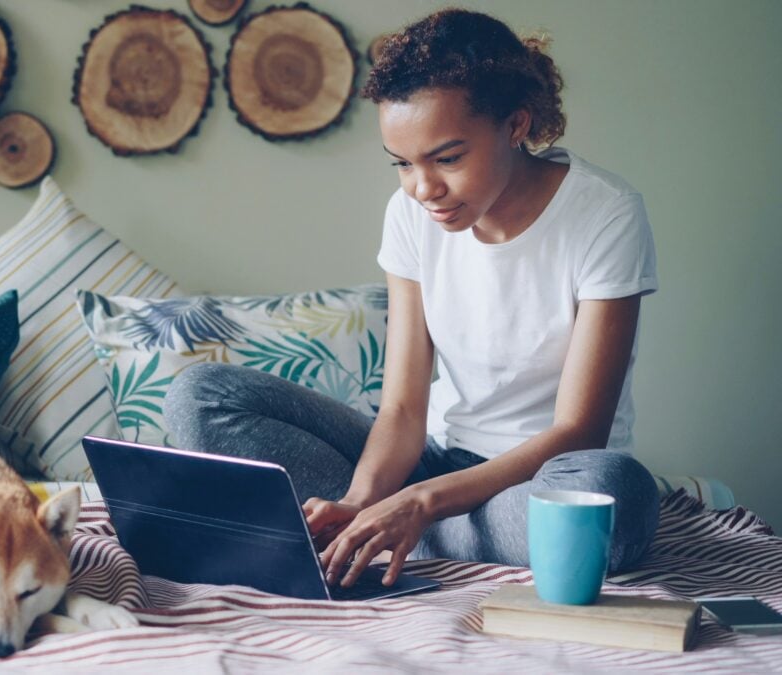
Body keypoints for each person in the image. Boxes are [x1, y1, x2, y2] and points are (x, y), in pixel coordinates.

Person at [163, 8, 660, 590]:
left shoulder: (605, 214)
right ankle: (389, 526)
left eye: (448, 157)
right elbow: (400, 409)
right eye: (402, 164)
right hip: (432, 459)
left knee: (615, 494)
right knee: (199, 395)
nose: (424, 188)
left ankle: (419, 531)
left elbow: (579, 430)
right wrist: (361, 500)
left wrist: (420, 504)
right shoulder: (409, 215)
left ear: (516, 124)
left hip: (540, 478)